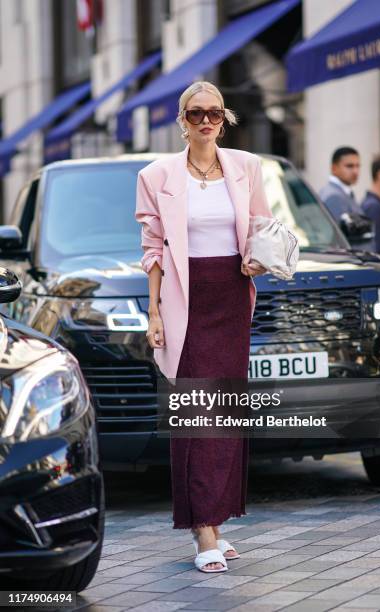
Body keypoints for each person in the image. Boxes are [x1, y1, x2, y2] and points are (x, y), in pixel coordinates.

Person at [135, 81, 274, 573]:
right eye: (196, 114)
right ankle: (203, 531)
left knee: (226, 411)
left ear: (225, 117)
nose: (206, 121)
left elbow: (260, 228)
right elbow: (153, 250)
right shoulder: (156, 175)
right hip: (184, 300)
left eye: (214, 112)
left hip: (232, 295)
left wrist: (260, 259)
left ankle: (217, 516)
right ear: (182, 120)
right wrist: (153, 313)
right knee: (197, 414)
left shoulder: (246, 167)